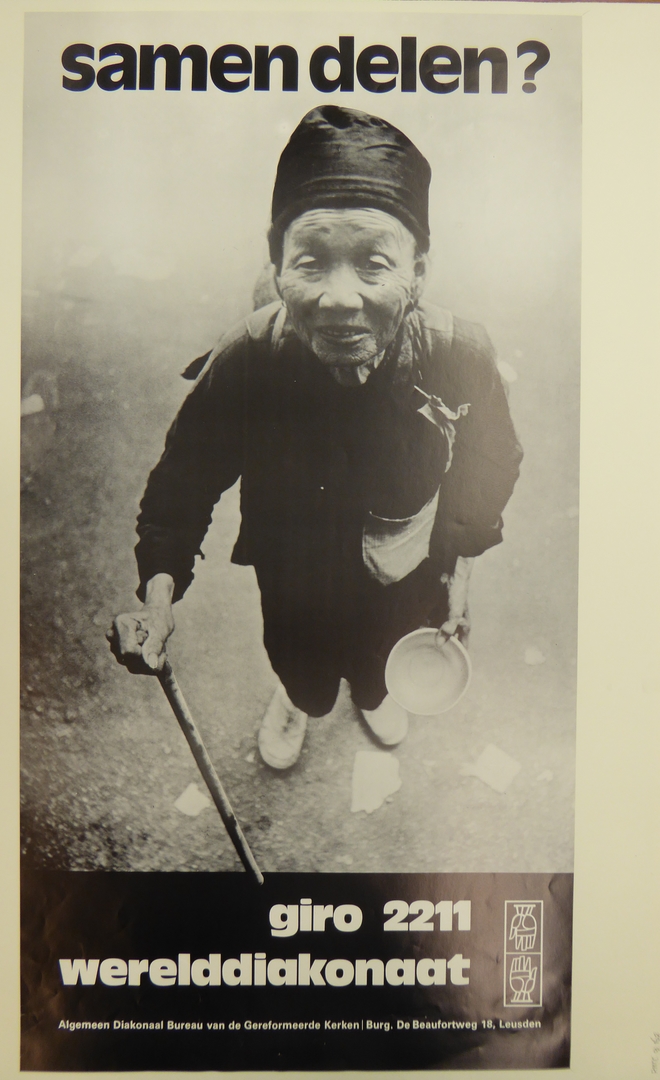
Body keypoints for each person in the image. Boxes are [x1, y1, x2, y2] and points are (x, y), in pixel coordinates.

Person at [108, 105, 523, 770]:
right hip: (292, 569)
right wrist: (158, 604)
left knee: (384, 656)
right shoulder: (248, 358)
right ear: (277, 267)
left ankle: (374, 691)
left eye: (374, 263)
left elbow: (491, 464)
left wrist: (458, 569)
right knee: (300, 659)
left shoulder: (460, 354)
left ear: (418, 272)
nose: (338, 299)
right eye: (310, 261)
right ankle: (299, 696)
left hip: (405, 565)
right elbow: (180, 489)